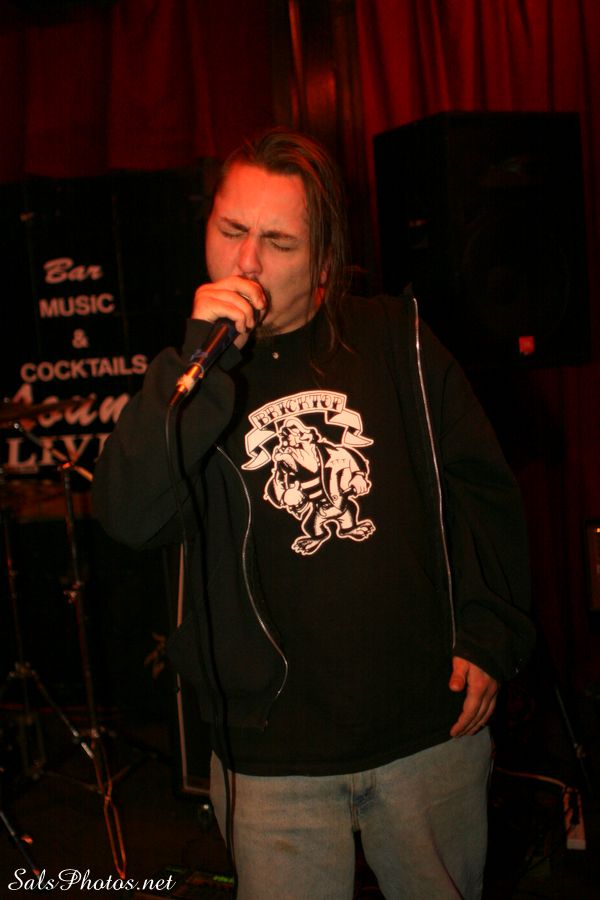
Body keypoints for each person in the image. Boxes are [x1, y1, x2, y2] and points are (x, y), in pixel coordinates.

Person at [92, 127, 535, 899]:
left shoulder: (396, 338)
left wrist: (490, 632)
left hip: (423, 731)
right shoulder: (193, 376)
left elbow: (483, 492)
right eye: (231, 230)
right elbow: (127, 516)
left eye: (278, 242)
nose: (246, 262)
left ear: (324, 257)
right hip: (271, 754)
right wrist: (198, 365)